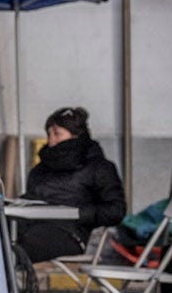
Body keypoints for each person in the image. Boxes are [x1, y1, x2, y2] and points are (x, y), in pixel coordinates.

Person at [19, 105, 128, 263]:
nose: (51, 140)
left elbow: (116, 210)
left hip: (69, 233)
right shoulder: (41, 169)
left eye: (57, 134)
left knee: (15, 249)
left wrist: (77, 213)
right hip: (30, 225)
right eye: (48, 134)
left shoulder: (99, 168)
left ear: (76, 135)